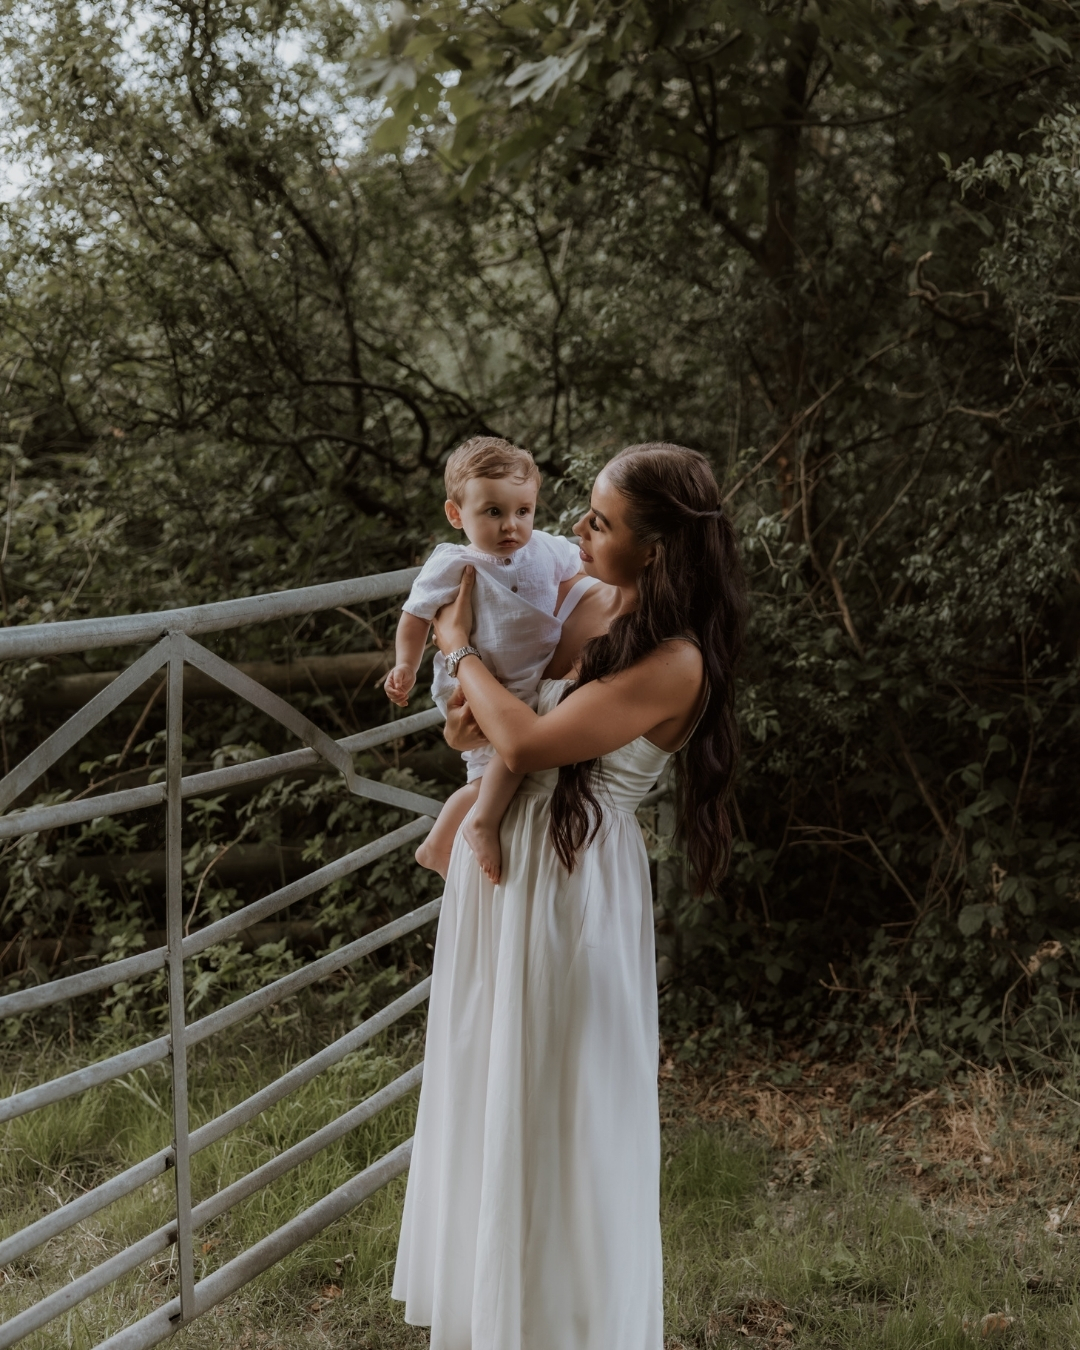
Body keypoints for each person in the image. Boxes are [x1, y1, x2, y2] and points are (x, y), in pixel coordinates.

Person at [391, 442, 747, 1350]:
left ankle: (570, 1326)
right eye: (582, 512)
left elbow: (535, 744)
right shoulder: (580, 599)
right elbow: (485, 729)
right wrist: (460, 704)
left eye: (600, 520)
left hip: (573, 888)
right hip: (504, 870)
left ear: (657, 547)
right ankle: (493, 1318)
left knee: (562, 1108)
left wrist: (456, 645)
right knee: (491, 1085)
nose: (574, 530)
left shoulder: (676, 661)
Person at [384, 436, 583, 882]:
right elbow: (415, 616)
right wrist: (405, 666)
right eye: (493, 512)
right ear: (456, 515)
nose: (511, 525)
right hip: (480, 678)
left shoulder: (548, 549)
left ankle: (438, 845)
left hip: (530, 679)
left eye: (522, 511)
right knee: (504, 762)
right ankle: (481, 822)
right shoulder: (453, 562)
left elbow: (586, 572)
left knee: (491, 769)